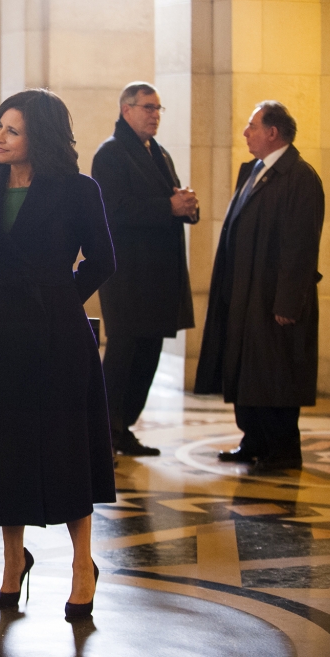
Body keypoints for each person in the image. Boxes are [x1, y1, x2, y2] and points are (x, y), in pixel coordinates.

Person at [0, 89, 116, 621]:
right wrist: (11, 301)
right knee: (4, 450)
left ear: (38, 135)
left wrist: (61, 298)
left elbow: (104, 260)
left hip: (58, 333)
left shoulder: (79, 190)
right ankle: (13, 562)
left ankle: (82, 565)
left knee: (66, 448)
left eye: (11, 130)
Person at [195, 101, 324, 474]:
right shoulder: (254, 171)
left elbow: (300, 246)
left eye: (252, 126)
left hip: (274, 299)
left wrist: (288, 302)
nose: (246, 133)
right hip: (245, 295)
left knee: (276, 374)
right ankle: (253, 440)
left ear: (272, 133)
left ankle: (282, 449)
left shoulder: (299, 177)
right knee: (248, 372)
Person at [91, 81, 198, 457]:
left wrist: (185, 204)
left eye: (158, 109)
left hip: (158, 274)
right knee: (124, 353)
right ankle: (105, 430)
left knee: (149, 352)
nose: (154, 115)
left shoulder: (158, 152)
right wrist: (168, 207)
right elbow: (114, 210)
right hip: (128, 274)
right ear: (127, 110)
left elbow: (166, 199)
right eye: (148, 107)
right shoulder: (111, 154)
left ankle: (124, 428)